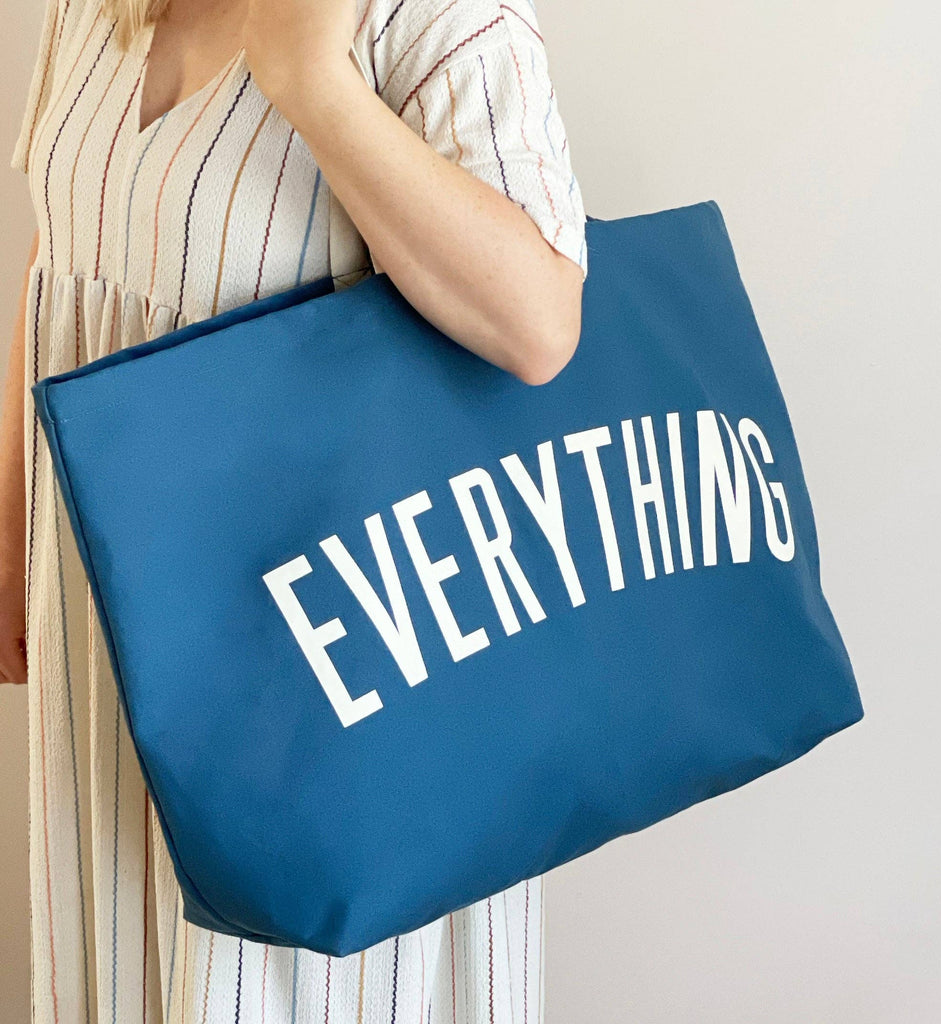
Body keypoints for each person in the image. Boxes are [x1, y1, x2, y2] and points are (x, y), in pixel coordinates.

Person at [0, 0, 588, 1019]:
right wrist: (12, 525)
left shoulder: (439, 16)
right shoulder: (87, 8)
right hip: (105, 630)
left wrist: (313, 84)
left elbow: (536, 326)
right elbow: (57, 260)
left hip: (316, 673)